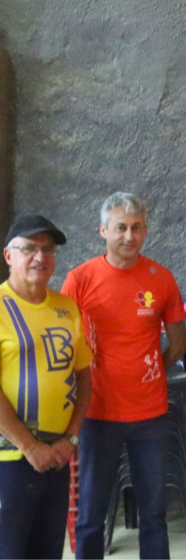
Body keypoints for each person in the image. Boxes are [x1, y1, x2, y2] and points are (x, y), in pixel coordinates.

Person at [62, 193, 186, 559]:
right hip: (97, 413)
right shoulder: (80, 279)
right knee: (91, 514)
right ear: (103, 230)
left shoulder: (161, 278)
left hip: (150, 414)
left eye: (136, 228)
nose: (128, 236)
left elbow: (177, 345)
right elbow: (66, 344)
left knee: (154, 512)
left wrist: (148, 371)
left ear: (145, 231)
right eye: (120, 228)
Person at [0, 215, 92, 559]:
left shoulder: (66, 308)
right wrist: (30, 447)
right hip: (9, 458)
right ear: (9, 255)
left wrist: (70, 440)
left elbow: (83, 376)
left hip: (56, 458)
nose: (40, 257)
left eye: (48, 250)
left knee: (48, 552)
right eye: (29, 249)